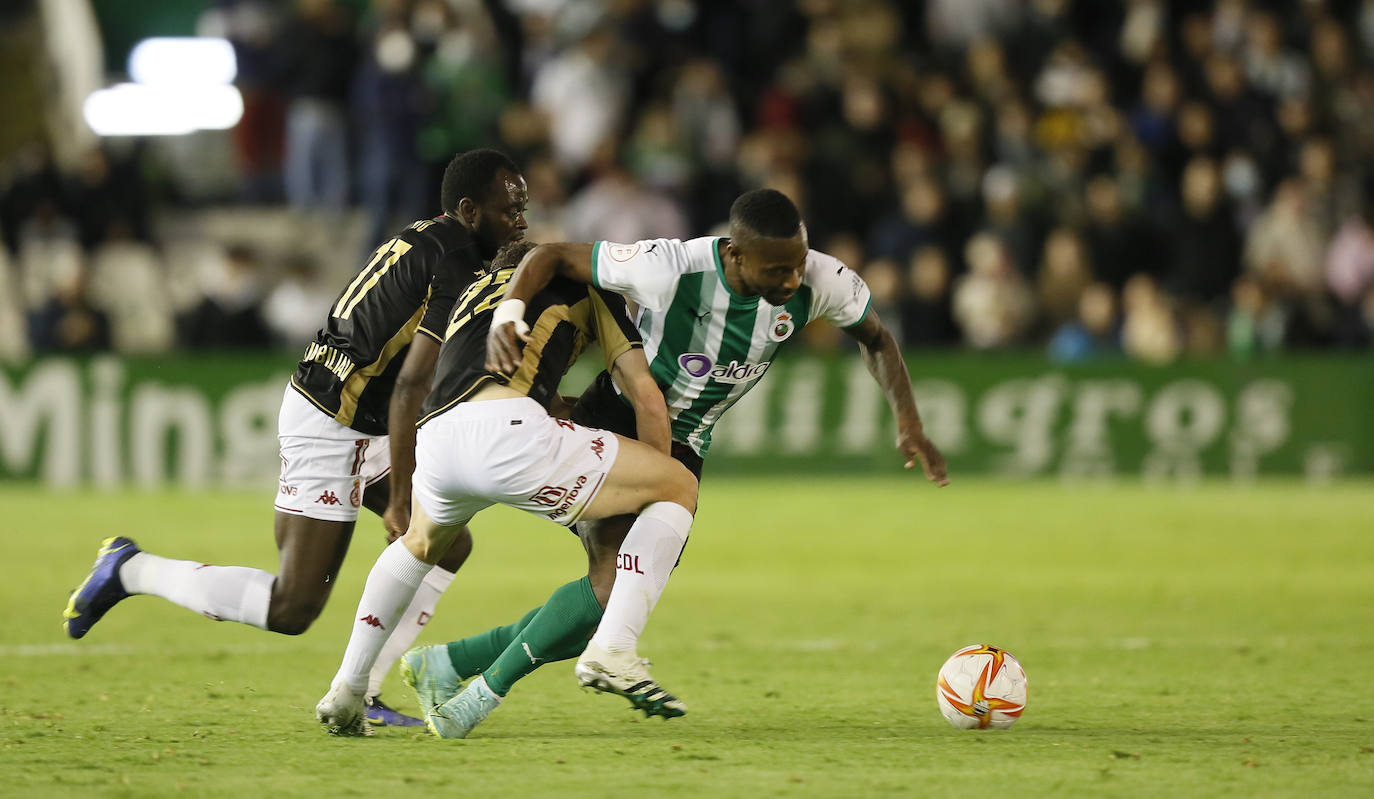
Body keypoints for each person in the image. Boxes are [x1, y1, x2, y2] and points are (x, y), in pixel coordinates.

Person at [398, 187, 948, 735]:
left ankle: (449, 664)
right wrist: (510, 311)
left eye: (796, 267)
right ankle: (479, 694)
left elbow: (877, 339)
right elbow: (551, 255)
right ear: (734, 253)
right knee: (615, 591)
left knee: (611, 594)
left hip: (688, 444)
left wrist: (909, 421)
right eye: (775, 270)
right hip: (621, 418)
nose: (789, 282)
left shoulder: (824, 282)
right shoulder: (672, 266)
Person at [61, 148, 529, 728]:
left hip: (361, 416)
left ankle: (363, 693)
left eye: (523, 208)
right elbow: (412, 386)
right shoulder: (455, 259)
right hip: (332, 422)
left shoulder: (432, 238)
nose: (522, 220)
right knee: (293, 607)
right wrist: (403, 496)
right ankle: (130, 569)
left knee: (446, 543)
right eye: (510, 210)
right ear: (469, 210)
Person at [314, 240, 699, 738]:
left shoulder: (471, 294)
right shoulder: (583, 285)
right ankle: (614, 650)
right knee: (677, 486)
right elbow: (646, 395)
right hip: (510, 431)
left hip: (438, 435)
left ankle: (348, 685)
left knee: (421, 544)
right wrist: (650, 484)